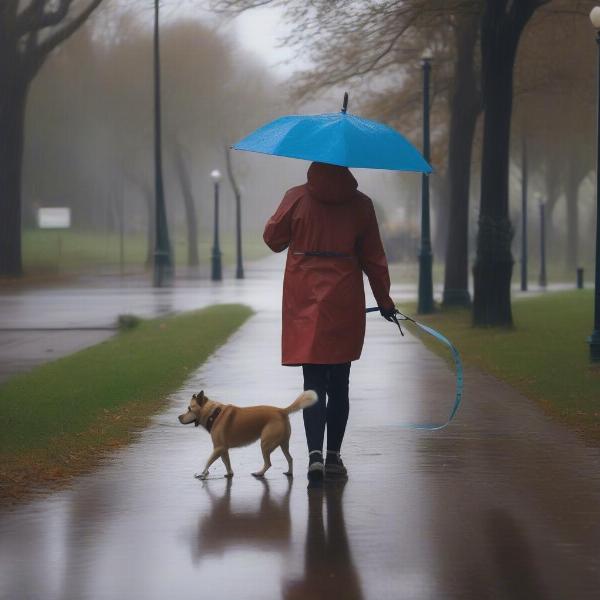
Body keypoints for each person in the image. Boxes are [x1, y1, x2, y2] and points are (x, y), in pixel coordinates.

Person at [263, 161, 396, 482]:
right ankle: (334, 456)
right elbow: (374, 259)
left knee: (313, 384)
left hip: (305, 301)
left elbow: (272, 238)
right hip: (344, 301)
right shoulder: (361, 205)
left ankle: (314, 457)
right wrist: (385, 302)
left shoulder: (296, 198)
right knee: (340, 384)